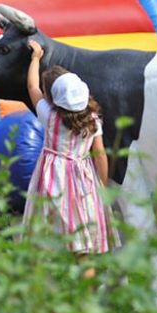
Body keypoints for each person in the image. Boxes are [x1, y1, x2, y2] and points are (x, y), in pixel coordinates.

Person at [22, 40, 119, 255]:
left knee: (50, 218)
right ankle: (87, 277)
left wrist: (35, 58)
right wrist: (101, 186)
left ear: (53, 98)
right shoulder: (94, 121)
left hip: (53, 177)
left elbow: (31, 87)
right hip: (83, 178)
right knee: (82, 229)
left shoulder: (49, 116)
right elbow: (100, 155)